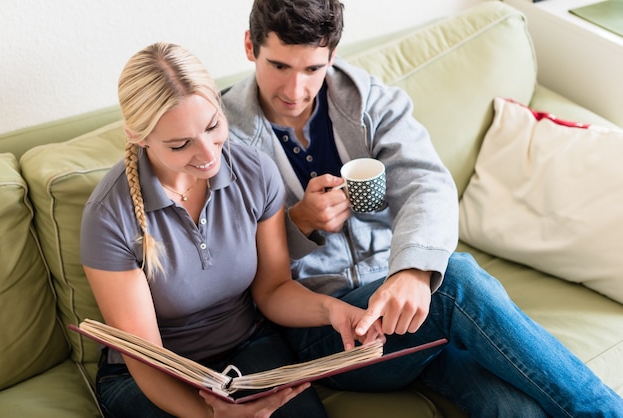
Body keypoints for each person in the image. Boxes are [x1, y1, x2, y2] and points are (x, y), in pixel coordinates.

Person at [221, 0, 623, 416]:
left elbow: (427, 184)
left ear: (332, 56)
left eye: (313, 69)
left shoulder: (369, 100)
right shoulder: (221, 137)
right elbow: (226, 258)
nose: (295, 90)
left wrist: (412, 271)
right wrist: (298, 224)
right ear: (251, 46)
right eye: (280, 66)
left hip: (411, 315)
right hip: (330, 333)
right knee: (456, 280)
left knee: (515, 408)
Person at [79, 42, 380, 418]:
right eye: (180, 144)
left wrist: (334, 311)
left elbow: (273, 290)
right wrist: (212, 417)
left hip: (248, 349)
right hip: (154, 374)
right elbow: (146, 360)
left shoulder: (255, 172)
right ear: (139, 137)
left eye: (212, 126)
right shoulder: (109, 216)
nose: (208, 155)